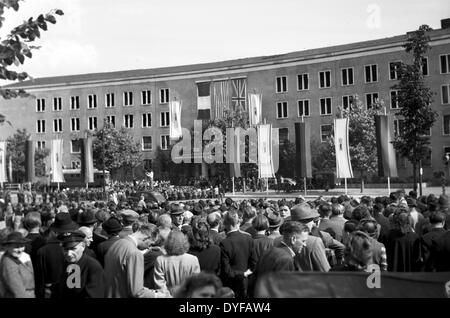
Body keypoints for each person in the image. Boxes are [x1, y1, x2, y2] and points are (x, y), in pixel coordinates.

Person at [104, 223, 167, 298]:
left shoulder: (117, 244)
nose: (147, 247)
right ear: (146, 238)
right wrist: (156, 295)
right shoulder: (135, 253)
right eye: (150, 244)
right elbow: (137, 291)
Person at [55, 231, 105, 298]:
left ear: (83, 246)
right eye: (66, 249)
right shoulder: (66, 263)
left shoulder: (93, 267)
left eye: (73, 249)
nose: (69, 254)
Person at [219, 210, 256, 298]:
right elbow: (254, 263)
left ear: (225, 223)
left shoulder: (225, 243)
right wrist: (246, 273)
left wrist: (243, 274)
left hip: (231, 285)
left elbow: (226, 271)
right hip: (246, 282)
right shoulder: (249, 238)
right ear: (238, 222)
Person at [154, 230, 201, 295]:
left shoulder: (160, 260)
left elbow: (160, 285)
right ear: (184, 242)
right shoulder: (193, 259)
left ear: (168, 242)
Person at [0, 232, 34, 298]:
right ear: (7, 246)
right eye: (16, 247)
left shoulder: (14, 258)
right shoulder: (9, 264)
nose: (20, 250)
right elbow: (19, 292)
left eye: (22, 246)